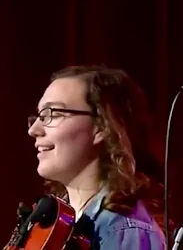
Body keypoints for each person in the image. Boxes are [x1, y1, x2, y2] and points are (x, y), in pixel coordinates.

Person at [28, 65, 167, 249]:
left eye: (52, 114)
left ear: (102, 126)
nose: (33, 130)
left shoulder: (122, 230)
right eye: (38, 116)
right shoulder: (59, 224)